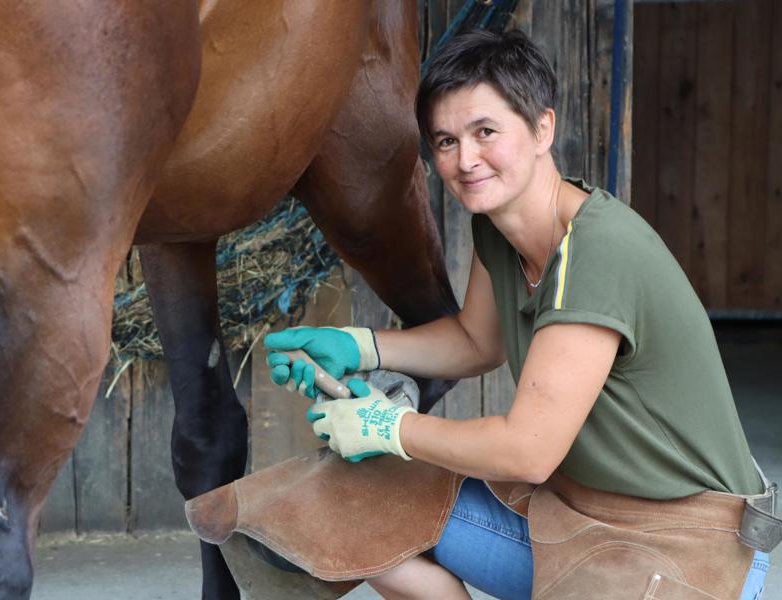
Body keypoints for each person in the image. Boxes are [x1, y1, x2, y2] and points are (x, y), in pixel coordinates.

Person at [264, 30, 774, 600]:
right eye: (446, 141)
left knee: (393, 474)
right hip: (575, 518)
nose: (465, 160)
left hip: (689, 547)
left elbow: (527, 451)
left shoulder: (597, 251)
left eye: (485, 132)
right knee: (355, 502)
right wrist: (360, 345)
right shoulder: (498, 229)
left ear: (542, 129)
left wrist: (389, 427)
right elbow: (476, 341)